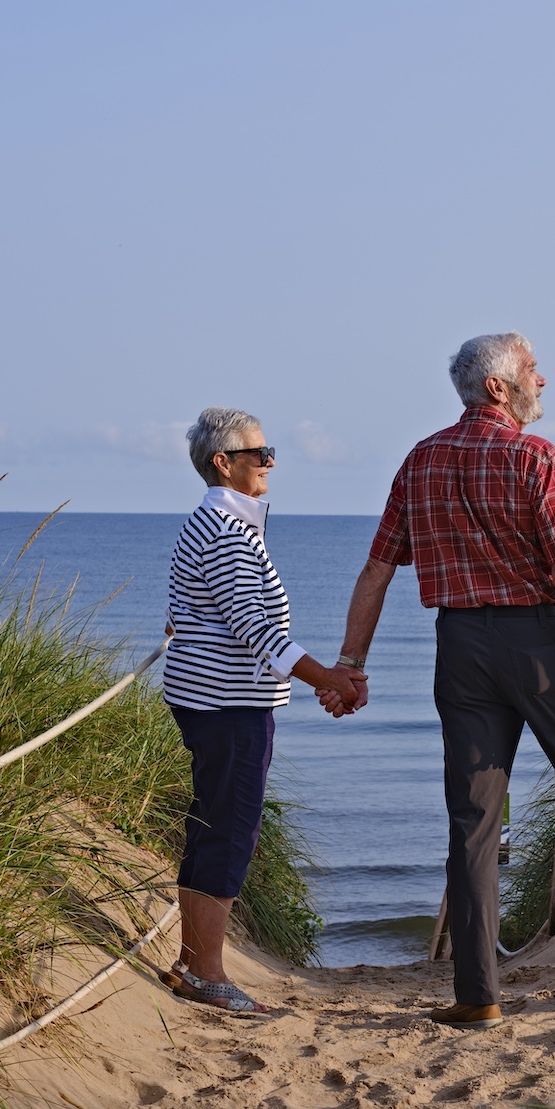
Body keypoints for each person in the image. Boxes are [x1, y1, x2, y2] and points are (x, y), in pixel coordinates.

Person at [336, 334, 555, 1027]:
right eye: (533, 372)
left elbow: (377, 570)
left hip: (460, 644)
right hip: (540, 640)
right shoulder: (535, 457)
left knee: (473, 819)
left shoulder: (420, 459)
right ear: (498, 388)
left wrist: (352, 665)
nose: (545, 381)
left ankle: (477, 992)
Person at [162, 406, 360, 1017]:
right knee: (229, 829)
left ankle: (197, 962)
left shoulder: (223, 523)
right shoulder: (223, 525)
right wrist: (328, 677)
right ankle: (208, 972)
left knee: (216, 823)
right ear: (224, 463)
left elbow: (204, 612)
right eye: (259, 454)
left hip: (219, 699)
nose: (270, 463)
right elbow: (255, 627)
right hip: (224, 704)